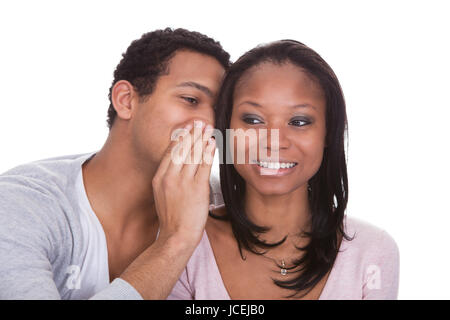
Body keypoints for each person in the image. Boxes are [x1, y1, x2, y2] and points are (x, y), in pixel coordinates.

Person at [0, 28, 229, 299]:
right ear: (126, 100)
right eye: (191, 100)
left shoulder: (223, 204)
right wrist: (176, 240)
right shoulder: (21, 204)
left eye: (219, 111)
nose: (209, 124)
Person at [168, 40, 400, 300]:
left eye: (299, 121)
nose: (274, 141)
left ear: (328, 133)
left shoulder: (373, 251)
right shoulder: (184, 244)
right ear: (225, 131)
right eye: (253, 120)